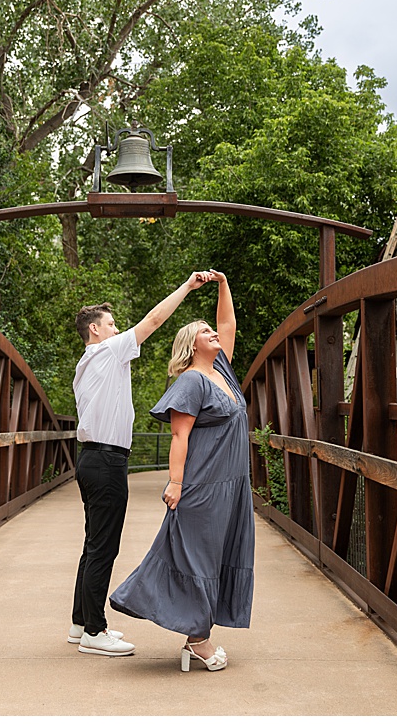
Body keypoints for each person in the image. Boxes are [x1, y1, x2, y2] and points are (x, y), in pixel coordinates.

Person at [110, 270, 254, 672]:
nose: (213, 333)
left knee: (220, 555)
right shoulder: (192, 380)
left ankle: (198, 633)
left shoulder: (220, 371)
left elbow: (227, 323)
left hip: (232, 485)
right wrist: (175, 482)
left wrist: (224, 283)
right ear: (191, 345)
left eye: (212, 330)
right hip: (205, 486)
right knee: (200, 559)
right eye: (204, 331)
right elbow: (179, 436)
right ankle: (197, 640)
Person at [71, 271, 216, 656]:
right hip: (106, 461)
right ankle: (93, 631)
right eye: (112, 324)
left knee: (93, 544)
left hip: (92, 458)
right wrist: (186, 287)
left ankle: (80, 622)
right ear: (96, 331)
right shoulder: (107, 351)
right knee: (104, 547)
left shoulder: (88, 363)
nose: (118, 330)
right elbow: (152, 322)